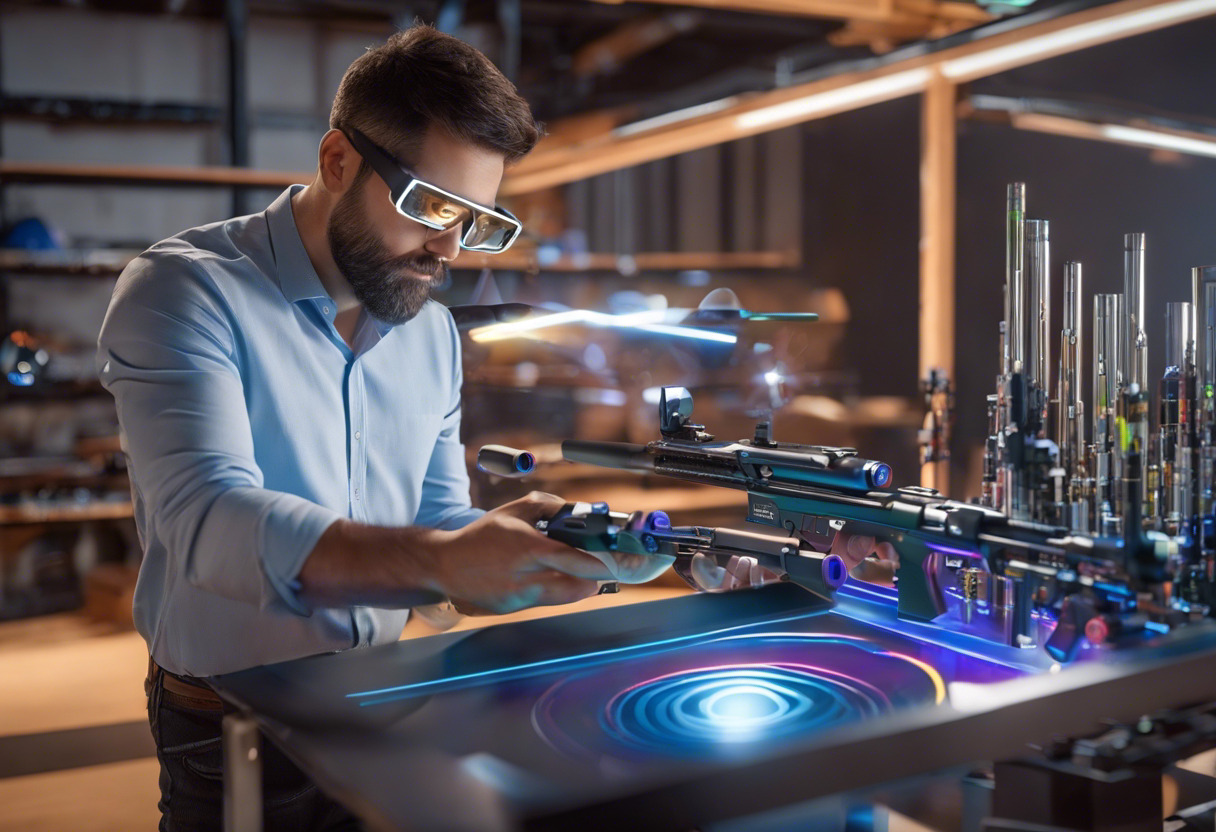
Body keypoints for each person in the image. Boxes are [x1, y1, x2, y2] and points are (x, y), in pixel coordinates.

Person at [97, 24, 893, 831]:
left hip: (381, 694)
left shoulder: (426, 333)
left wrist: (585, 557)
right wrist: (444, 558)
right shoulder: (187, 293)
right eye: (432, 205)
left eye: (476, 218)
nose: (449, 247)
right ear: (338, 162)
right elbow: (209, 523)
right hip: (228, 722)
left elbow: (441, 532)